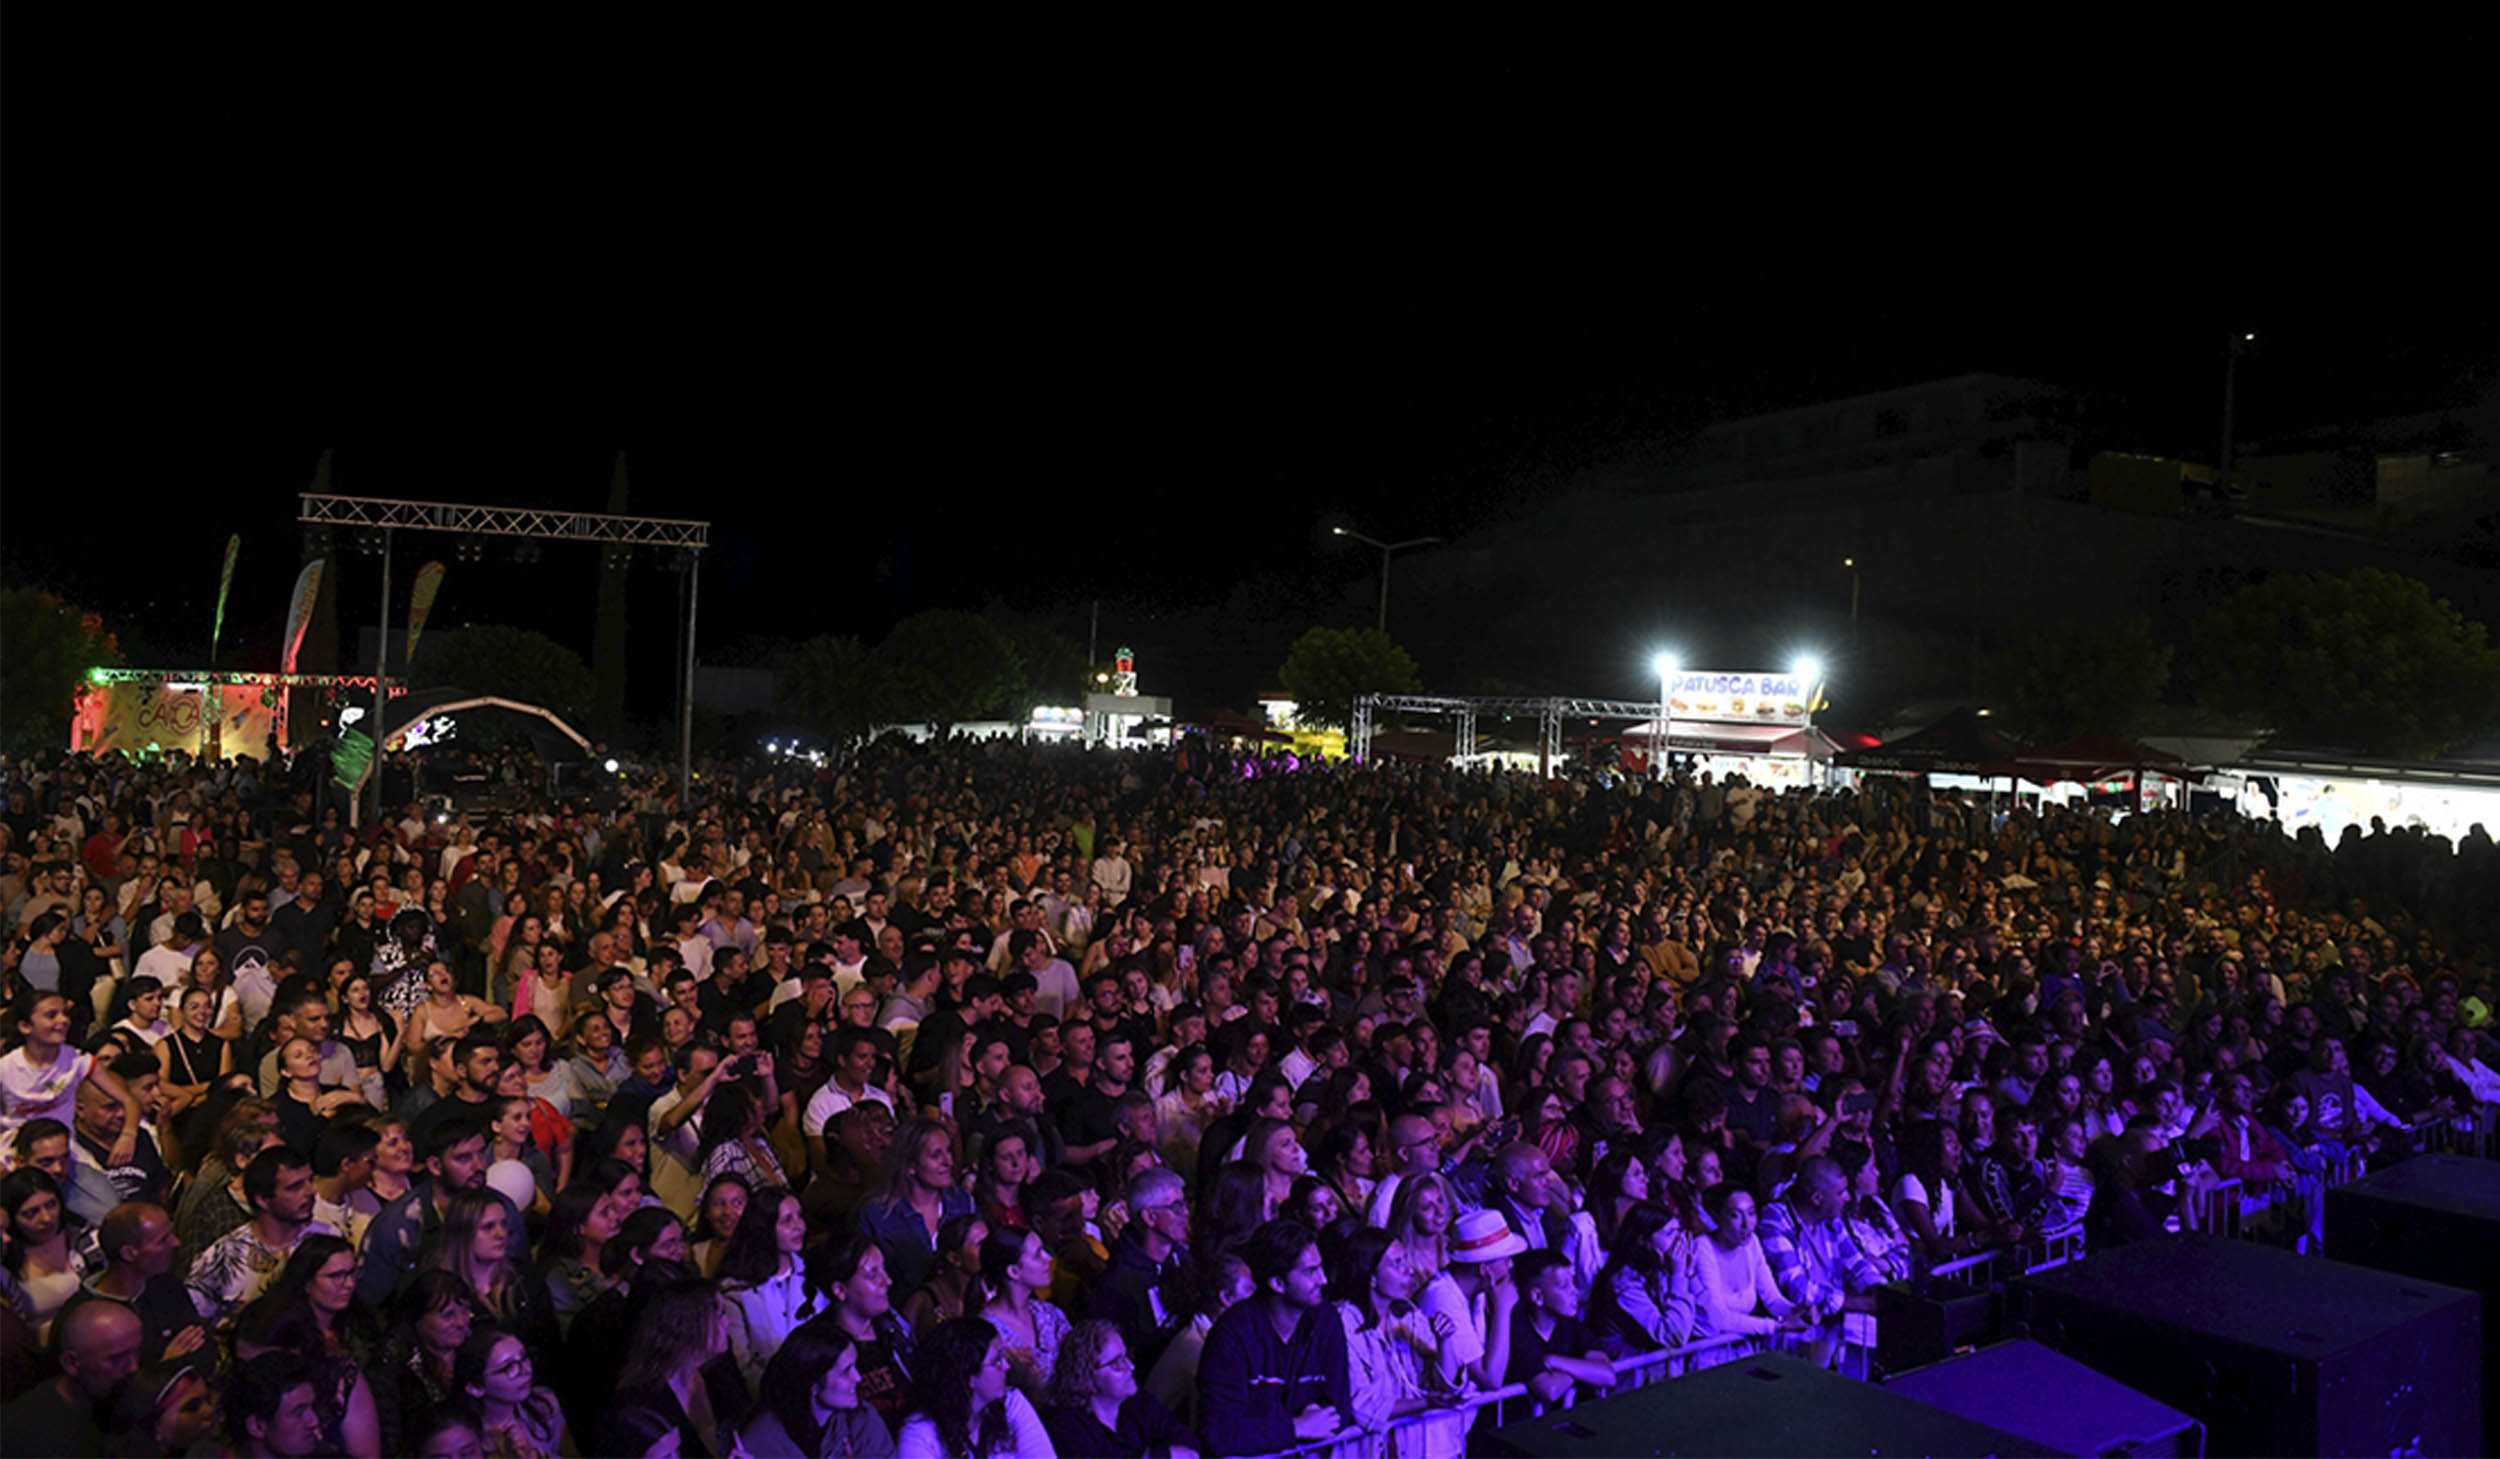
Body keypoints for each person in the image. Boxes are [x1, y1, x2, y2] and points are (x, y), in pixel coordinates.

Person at [1197, 1218, 1350, 1456]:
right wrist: (1296, 1427)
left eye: (1320, 1268)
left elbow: (1338, 1412)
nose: (1323, 1280)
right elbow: (1219, 1433)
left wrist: (1266, 1429)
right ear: (1277, 1283)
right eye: (1311, 1271)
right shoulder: (1232, 1335)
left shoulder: (1326, 1321)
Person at [601, 1278, 752, 1458]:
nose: (726, 1322)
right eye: (719, 1313)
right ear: (687, 1325)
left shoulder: (717, 1372)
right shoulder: (639, 1406)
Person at [187, 1147, 332, 1327]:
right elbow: (194, 1324)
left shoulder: (329, 1239)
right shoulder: (222, 1255)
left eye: (309, 1180)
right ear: (263, 1200)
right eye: (295, 1187)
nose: (311, 1192)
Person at [895, 1315, 1057, 1459]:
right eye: (997, 1361)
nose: (1006, 1366)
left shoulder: (1012, 1404)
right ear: (967, 1377)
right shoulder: (920, 1434)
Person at [0, 1295, 141, 1454]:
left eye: (137, 1352)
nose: (133, 1367)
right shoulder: (32, 1437)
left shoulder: (111, 1398)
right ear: (71, 1363)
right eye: (117, 1358)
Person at [719, 1185, 824, 1397]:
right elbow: (745, 1366)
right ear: (764, 1228)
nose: (799, 1227)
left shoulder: (815, 1272)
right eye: (787, 1221)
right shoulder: (736, 1290)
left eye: (799, 1217)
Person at [738, 1322, 899, 1459]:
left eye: (855, 1367)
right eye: (845, 1371)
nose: (857, 1378)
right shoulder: (764, 1441)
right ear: (812, 1383)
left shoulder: (862, 1420)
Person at [1041, 1319, 1198, 1459]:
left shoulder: (1140, 1404)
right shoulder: (1066, 1427)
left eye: (1126, 1356)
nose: (1130, 1366)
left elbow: (1190, 1445)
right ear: (1086, 1377)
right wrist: (1164, 1454)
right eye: (1117, 1363)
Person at [1506, 1249, 1617, 1402]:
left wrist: (1554, 1361)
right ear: (1538, 1296)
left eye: (1573, 1282)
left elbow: (1608, 1375)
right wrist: (1582, 1369)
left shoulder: (1569, 1324)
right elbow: (1549, 1390)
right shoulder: (1518, 1329)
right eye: (1564, 1286)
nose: (1575, 1292)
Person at [452, 1326, 571, 1459]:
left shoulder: (544, 1404)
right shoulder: (462, 1440)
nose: (526, 1370)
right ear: (476, 1388)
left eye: (524, 1357)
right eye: (508, 1367)